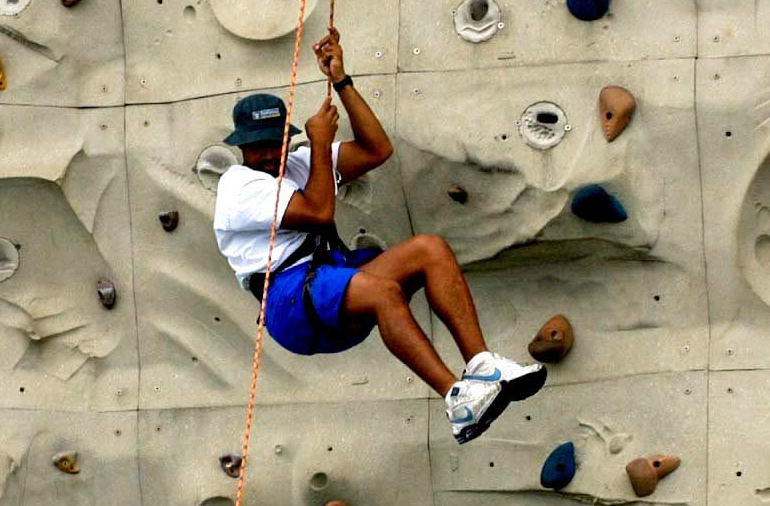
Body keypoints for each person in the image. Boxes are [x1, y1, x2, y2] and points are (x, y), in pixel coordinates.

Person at [212, 30, 546, 444]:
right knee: (382, 290)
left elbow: (377, 149)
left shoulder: (299, 165)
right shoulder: (238, 186)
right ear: (241, 148)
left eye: (273, 143)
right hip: (289, 301)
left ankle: (481, 366)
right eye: (256, 146)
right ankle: (457, 400)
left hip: (326, 282)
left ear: (285, 138)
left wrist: (342, 83)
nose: (266, 154)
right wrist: (319, 145)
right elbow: (318, 212)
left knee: (430, 250)